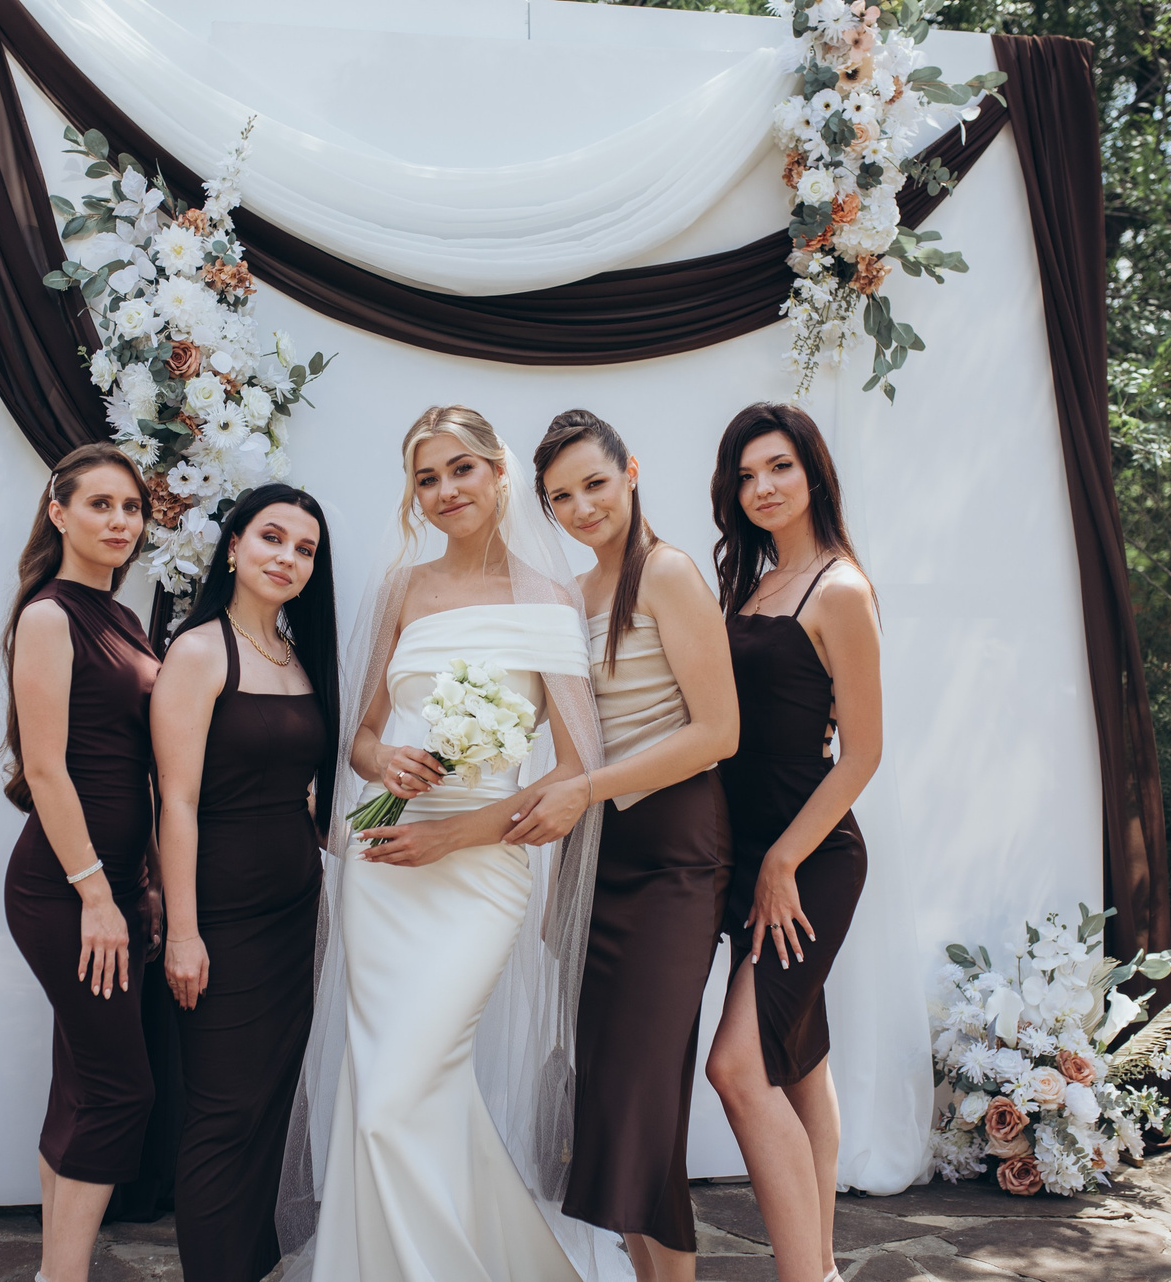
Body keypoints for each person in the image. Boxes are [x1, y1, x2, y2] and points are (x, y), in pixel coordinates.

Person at [278, 405, 617, 1282]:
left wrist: (456, 832)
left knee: (400, 1093)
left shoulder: (549, 598)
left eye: (461, 469)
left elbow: (576, 773)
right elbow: (359, 738)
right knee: (395, 1089)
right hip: (385, 862)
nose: (444, 491)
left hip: (481, 867)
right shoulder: (403, 589)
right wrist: (382, 760)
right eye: (425, 478)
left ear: (500, 473)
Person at [530, 410, 739, 1282]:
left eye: (595, 484)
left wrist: (586, 792)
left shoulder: (669, 572)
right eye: (561, 497)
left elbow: (718, 731)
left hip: (675, 853)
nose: (583, 507)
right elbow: (572, 742)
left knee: (646, 1093)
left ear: (632, 472)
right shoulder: (572, 594)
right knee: (612, 1096)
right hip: (597, 855)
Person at [703, 405, 882, 1282]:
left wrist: (782, 861)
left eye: (778, 467)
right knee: (801, 1062)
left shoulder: (839, 589)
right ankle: (825, 1268)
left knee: (738, 1067)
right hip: (742, 856)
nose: (762, 487)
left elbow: (865, 752)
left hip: (809, 860)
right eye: (746, 475)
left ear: (812, 471)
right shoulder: (753, 584)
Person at [151, 485, 340, 1282]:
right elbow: (176, 801)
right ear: (233, 546)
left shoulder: (299, 657)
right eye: (272, 537)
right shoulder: (200, 651)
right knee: (224, 1111)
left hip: (296, 912)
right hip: (222, 915)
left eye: (304, 549)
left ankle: (251, 1264)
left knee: (272, 1103)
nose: (287, 557)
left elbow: (306, 797)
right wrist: (185, 932)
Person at [0, 443, 164, 1282]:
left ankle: (51, 1275)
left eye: (131, 508)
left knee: (82, 1082)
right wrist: (97, 895)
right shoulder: (49, 617)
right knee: (119, 1091)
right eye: (101, 504)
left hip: (113, 886)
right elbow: (47, 768)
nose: (120, 521)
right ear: (58, 513)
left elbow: (142, 765)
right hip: (63, 889)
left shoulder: (123, 620)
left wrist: (146, 883)